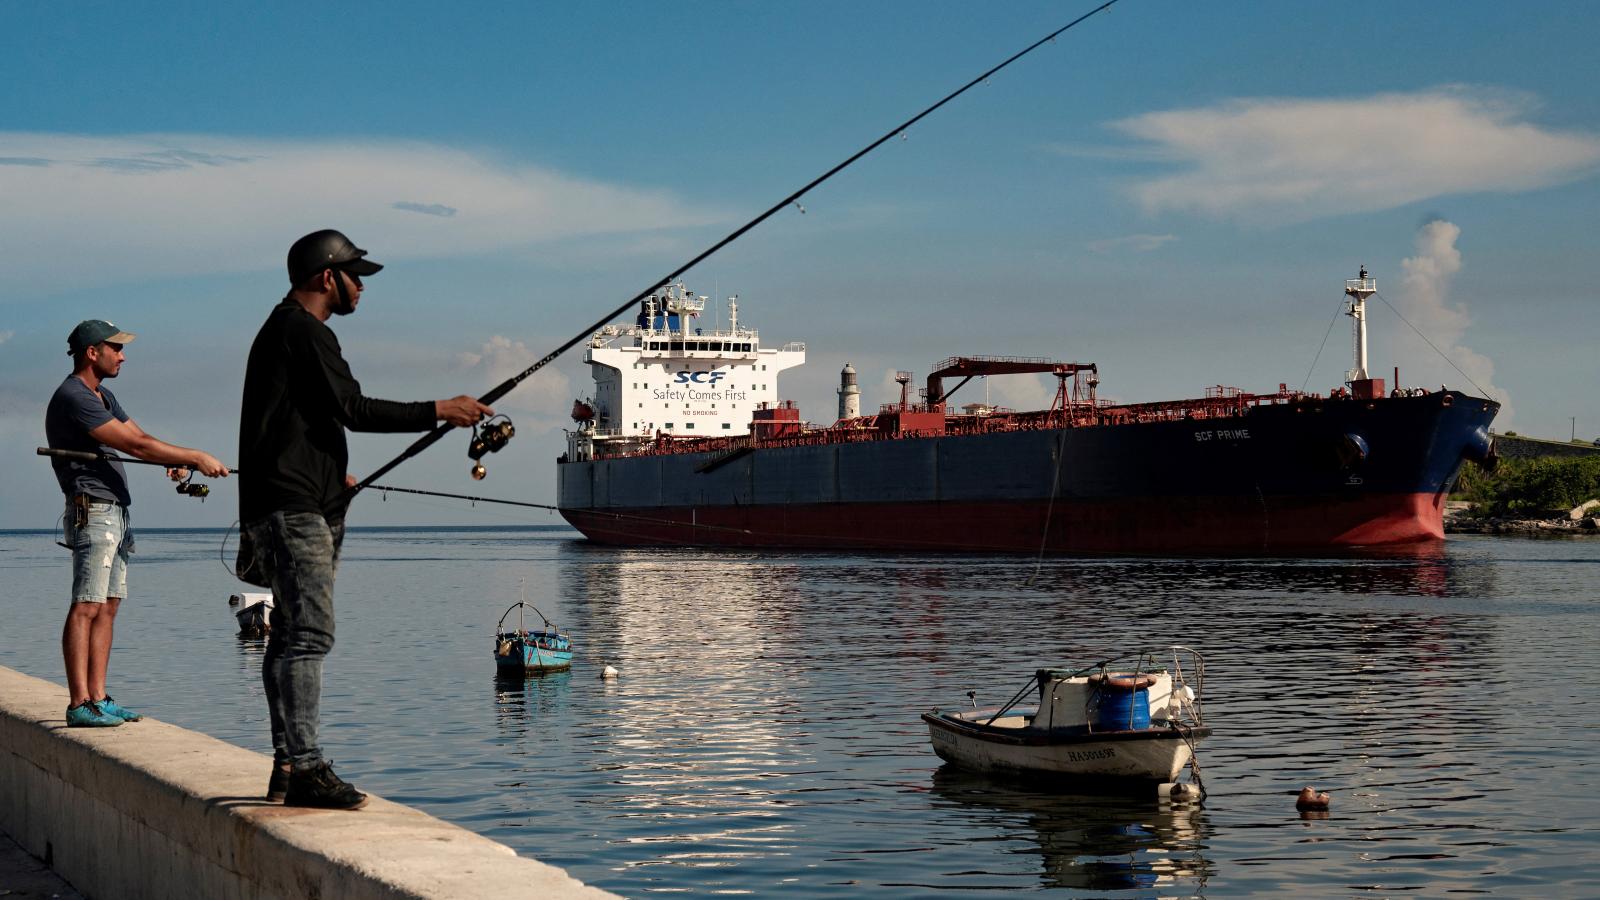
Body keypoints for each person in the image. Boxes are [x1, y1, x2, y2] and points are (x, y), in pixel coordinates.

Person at [239, 229, 491, 810]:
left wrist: (333, 477)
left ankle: (286, 763)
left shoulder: (283, 331)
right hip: (293, 507)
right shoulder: (304, 331)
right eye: (356, 276)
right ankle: (304, 769)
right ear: (327, 277)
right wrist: (440, 411)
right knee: (309, 635)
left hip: (297, 499)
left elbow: (299, 425)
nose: (361, 287)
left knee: (289, 636)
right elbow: (352, 409)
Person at [46, 319, 230, 728]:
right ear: (93, 352)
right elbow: (133, 445)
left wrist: (175, 460)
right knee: (87, 605)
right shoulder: (74, 396)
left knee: (108, 607)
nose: (123, 355)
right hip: (92, 508)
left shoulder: (103, 394)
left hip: (114, 511)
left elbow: (140, 435)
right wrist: (196, 455)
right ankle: (79, 704)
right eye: (116, 348)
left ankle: (99, 697)